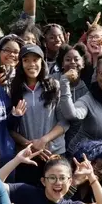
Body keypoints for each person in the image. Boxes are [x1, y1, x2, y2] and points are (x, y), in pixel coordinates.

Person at [8, 44, 66, 183]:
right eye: (26, 60)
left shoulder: (55, 86)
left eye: (35, 59)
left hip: (53, 153)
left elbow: (64, 121)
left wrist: (43, 141)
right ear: (21, 64)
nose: (31, 64)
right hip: (27, 155)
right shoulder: (14, 89)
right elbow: (10, 127)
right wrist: (29, 144)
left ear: (42, 62)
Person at [54, 43, 89, 152]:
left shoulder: (87, 90)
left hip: (79, 145)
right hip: (55, 144)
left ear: (83, 63)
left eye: (76, 59)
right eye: (68, 59)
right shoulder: (52, 84)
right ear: (62, 64)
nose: (72, 62)